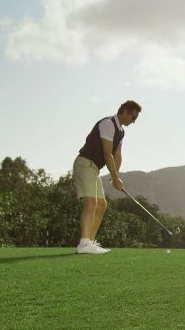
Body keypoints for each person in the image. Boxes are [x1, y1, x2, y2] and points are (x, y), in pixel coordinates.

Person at [73, 100, 142, 254]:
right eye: (133, 117)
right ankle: (84, 244)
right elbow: (107, 153)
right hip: (85, 164)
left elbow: (117, 155)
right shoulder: (108, 123)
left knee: (102, 205)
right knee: (91, 202)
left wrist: (114, 177)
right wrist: (115, 178)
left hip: (94, 168)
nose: (134, 121)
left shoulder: (121, 132)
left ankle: (89, 242)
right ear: (124, 111)